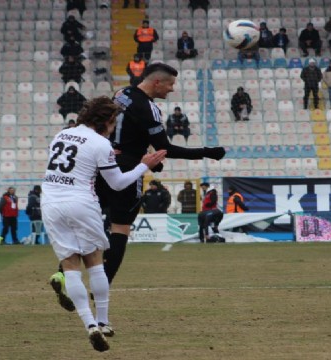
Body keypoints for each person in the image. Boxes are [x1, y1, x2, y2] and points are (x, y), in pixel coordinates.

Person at [49, 63, 225, 300]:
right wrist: (207, 152)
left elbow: (125, 130)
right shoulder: (149, 108)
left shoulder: (121, 94)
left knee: (87, 222)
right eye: (170, 84)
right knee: (120, 228)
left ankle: (62, 273)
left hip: (103, 164)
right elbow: (166, 148)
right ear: (157, 83)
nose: (172, 89)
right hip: (128, 170)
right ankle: (100, 289)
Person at [43, 96, 167, 351]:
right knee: (95, 262)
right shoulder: (101, 143)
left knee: (70, 265)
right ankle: (103, 321)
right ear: (108, 120)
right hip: (80, 202)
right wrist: (143, 165)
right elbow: (118, 183)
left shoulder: (61, 135)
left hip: (51, 203)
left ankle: (89, 324)